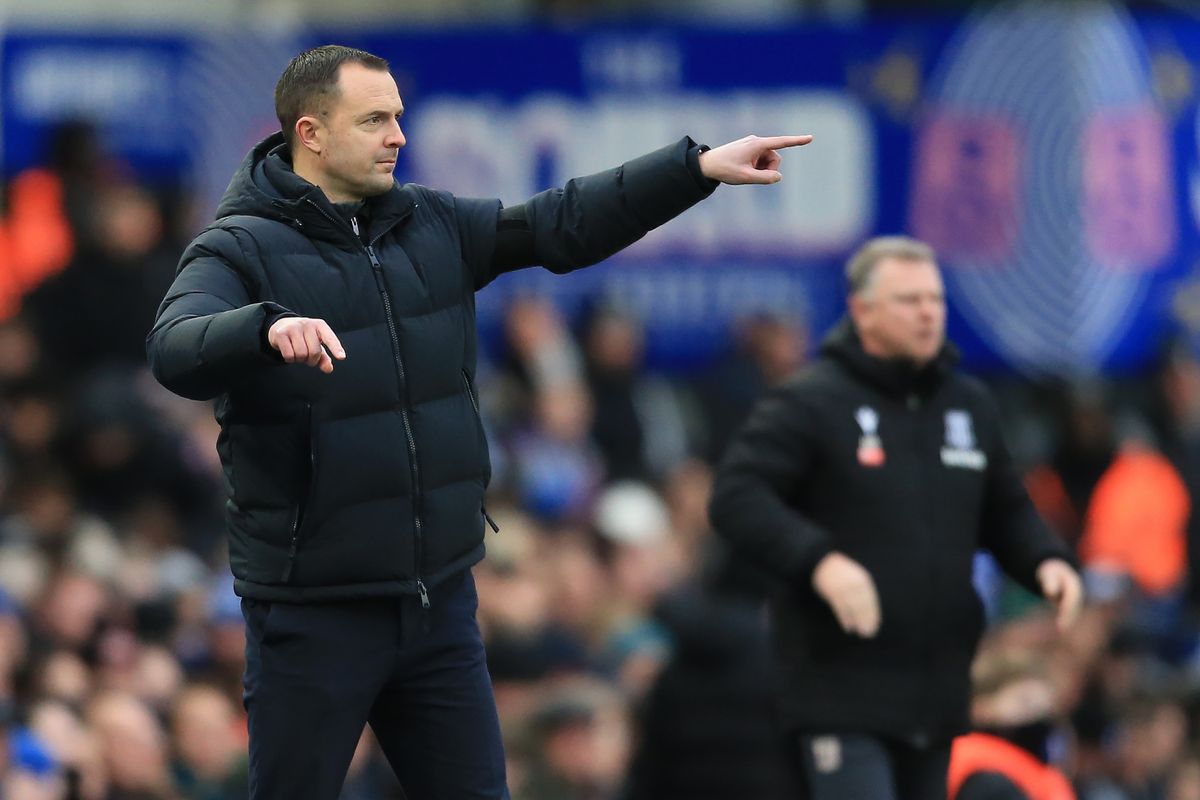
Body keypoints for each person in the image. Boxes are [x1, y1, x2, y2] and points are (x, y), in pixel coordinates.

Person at [145, 44, 810, 800]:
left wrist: (691, 170)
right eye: (374, 120)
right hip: (315, 613)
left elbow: (561, 223)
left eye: (398, 116)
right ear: (312, 133)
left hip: (439, 605)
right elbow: (172, 347)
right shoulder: (238, 245)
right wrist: (260, 329)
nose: (399, 134)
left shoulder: (429, 221)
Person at [708, 236, 1084, 800]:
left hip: (937, 690)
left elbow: (1004, 508)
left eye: (935, 298)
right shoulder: (811, 402)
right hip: (840, 687)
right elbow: (737, 495)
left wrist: (1046, 560)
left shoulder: (967, 405)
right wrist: (820, 561)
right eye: (909, 300)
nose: (928, 312)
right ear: (863, 311)